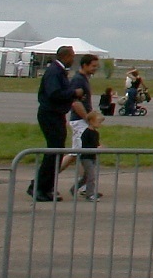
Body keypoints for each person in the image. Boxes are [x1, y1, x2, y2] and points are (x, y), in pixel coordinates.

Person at [32, 45, 76, 201]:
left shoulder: (59, 71)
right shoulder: (54, 71)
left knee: (56, 151)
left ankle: (44, 185)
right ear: (65, 56)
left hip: (56, 114)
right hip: (49, 114)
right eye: (72, 56)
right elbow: (54, 93)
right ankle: (39, 187)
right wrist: (73, 93)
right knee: (53, 150)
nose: (73, 59)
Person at [64, 55, 103, 200]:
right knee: (80, 153)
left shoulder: (84, 79)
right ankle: (46, 179)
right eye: (93, 66)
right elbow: (75, 103)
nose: (95, 68)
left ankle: (83, 185)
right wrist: (87, 118)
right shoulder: (78, 80)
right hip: (80, 120)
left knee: (76, 154)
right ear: (85, 65)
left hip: (83, 121)